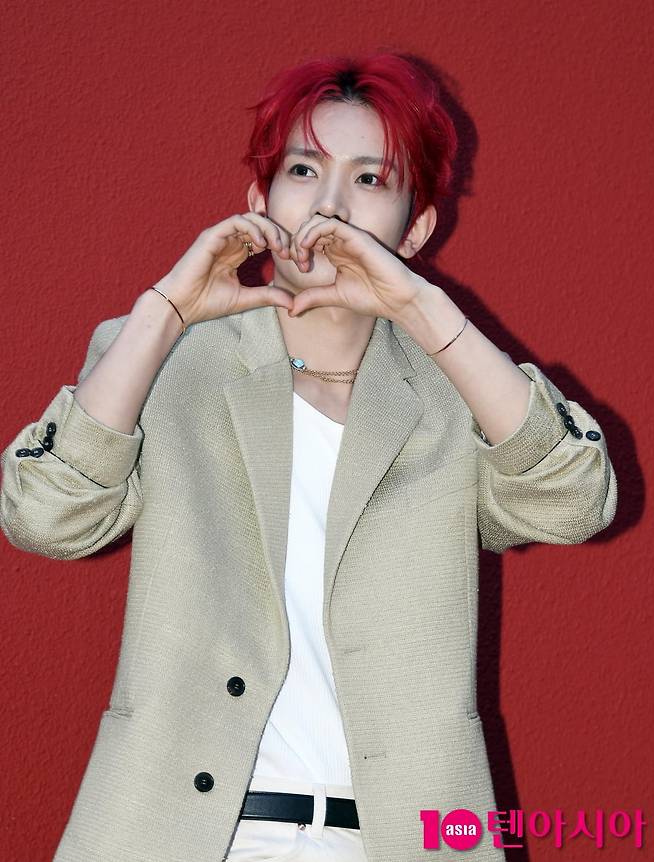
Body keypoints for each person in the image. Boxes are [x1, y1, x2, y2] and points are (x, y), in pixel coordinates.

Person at [0, 51, 617, 862]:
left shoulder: (452, 392)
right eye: (303, 170)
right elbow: (43, 518)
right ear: (260, 203)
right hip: (187, 837)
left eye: (370, 179)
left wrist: (426, 311)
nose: (330, 204)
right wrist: (164, 313)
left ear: (416, 227)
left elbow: (574, 501)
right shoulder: (170, 362)